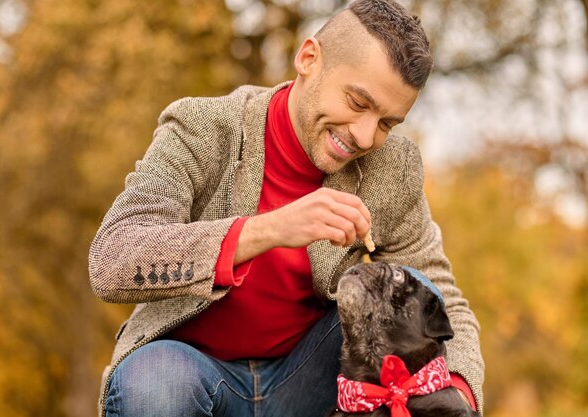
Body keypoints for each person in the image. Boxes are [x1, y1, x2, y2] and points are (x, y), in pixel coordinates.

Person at [89, 1, 484, 416]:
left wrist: (457, 394)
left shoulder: (393, 167)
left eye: (387, 123)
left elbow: (443, 298)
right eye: (357, 102)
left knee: (412, 294)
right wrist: (268, 229)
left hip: (311, 379)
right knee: (154, 384)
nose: (367, 136)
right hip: (190, 370)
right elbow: (112, 257)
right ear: (308, 59)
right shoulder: (202, 128)